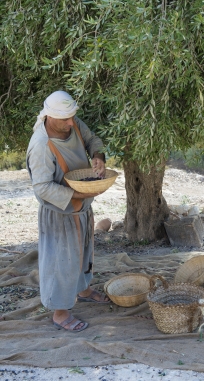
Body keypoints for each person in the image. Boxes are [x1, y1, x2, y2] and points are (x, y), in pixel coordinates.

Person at [26, 90, 110, 332]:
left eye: (73, 117)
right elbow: (42, 187)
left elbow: (92, 139)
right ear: (50, 116)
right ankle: (60, 313)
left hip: (81, 206)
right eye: (65, 119)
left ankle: (83, 290)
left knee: (84, 253)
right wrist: (79, 194)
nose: (71, 123)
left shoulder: (70, 122)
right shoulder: (41, 146)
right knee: (61, 262)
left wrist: (98, 157)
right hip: (59, 213)